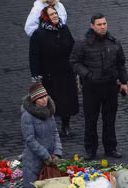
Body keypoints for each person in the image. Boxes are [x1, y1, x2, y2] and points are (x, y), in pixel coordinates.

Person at [70, 14, 127, 160]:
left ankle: (110, 147)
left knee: (110, 120)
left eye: (104, 24)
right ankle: (91, 150)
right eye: (99, 24)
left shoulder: (113, 42)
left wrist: (124, 82)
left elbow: (121, 63)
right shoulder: (82, 43)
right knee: (91, 120)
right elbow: (74, 62)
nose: (103, 27)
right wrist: (88, 74)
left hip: (110, 86)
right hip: (91, 87)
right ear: (92, 26)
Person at [29, 5, 77, 137]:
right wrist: (36, 76)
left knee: (67, 100)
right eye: (51, 14)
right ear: (46, 17)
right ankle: (49, 127)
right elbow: (34, 57)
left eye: (55, 13)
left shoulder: (64, 29)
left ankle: (65, 125)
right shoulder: (38, 35)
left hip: (66, 72)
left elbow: (73, 47)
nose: (55, 16)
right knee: (51, 101)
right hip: (49, 74)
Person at [20, 82, 62, 188]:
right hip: (34, 163)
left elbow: (55, 133)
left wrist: (57, 152)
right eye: (40, 98)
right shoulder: (27, 116)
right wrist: (45, 156)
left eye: (45, 96)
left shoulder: (49, 112)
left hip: (50, 160)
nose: (44, 100)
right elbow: (30, 140)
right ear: (34, 100)